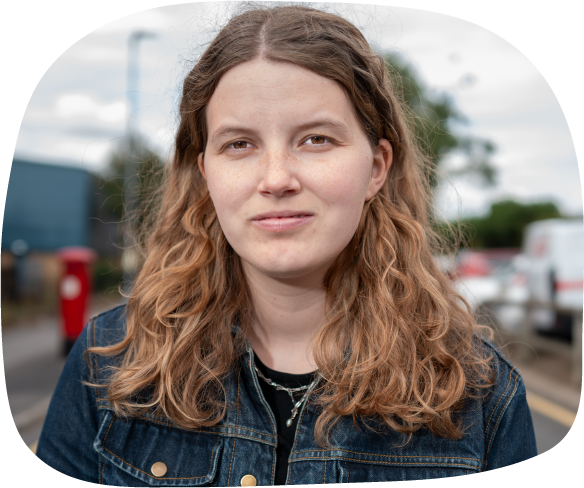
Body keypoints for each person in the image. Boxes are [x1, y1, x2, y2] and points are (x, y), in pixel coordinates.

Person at [36, 5, 537, 486]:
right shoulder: (109, 367)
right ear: (207, 172)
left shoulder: (482, 396)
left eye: (316, 139)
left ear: (377, 167)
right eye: (239, 144)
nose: (276, 179)